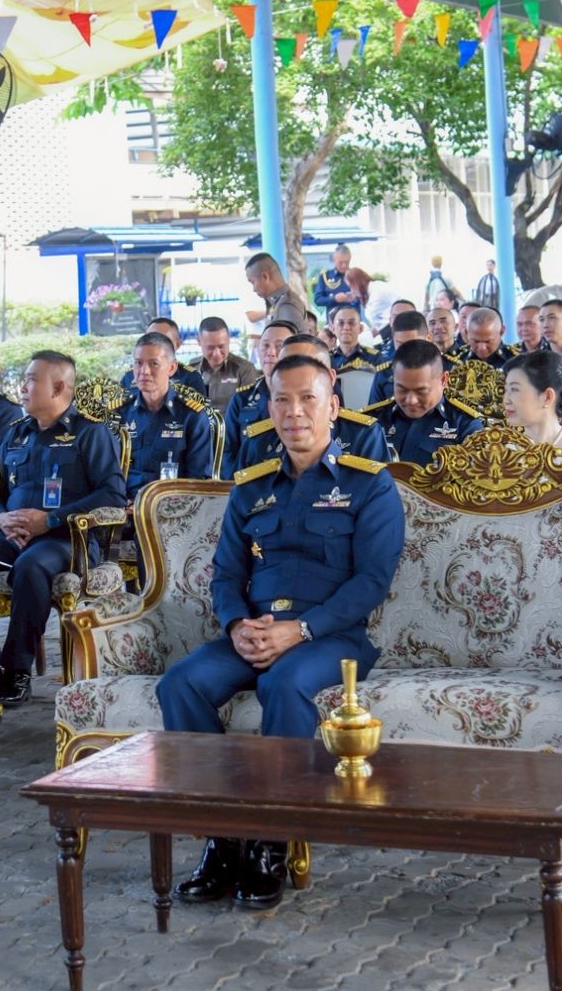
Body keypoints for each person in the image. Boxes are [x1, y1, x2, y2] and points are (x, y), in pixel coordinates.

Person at [157, 354, 404, 910]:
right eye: (283, 401)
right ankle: (223, 840)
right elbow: (226, 574)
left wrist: (302, 629)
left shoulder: (369, 485)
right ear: (269, 410)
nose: (295, 412)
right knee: (181, 683)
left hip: (332, 639)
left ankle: (272, 842)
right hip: (256, 631)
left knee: (283, 684)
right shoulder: (251, 487)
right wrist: (237, 625)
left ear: (333, 407)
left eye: (307, 399)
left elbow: (372, 581)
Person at [0, 351, 126, 707]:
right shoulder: (15, 434)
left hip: (67, 540)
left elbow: (112, 494)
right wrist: (0, 518)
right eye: (25, 378)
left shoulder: (90, 432)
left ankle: (15, 670)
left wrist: (49, 520)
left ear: (60, 387)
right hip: (11, 535)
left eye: (32, 379)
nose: (23, 386)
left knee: (31, 566)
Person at [232, 335, 386, 471]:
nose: (298, 375)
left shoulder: (364, 436)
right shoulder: (257, 442)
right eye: (288, 366)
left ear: (331, 377)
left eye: (311, 367)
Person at [121, 332, 216, 489]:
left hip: (173, 500)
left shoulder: (192, 416)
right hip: (125, 500)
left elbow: (199, 479)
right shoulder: (120, 413)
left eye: (154, 364)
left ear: (172, 368)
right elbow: (108, 473)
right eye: (138, 363)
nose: (144, 371)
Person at [372, 340, 484, 466]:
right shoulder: (374, 420)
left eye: (421, 391)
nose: (411, 400)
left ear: (443, 381)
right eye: (402, 390)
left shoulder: (465, 425)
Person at [220, 322, 294, 477]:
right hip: (248, 484)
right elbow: (227, 451)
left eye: (279, 346)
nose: (271, 352)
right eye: (265, 345)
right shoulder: (241, 399)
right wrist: (235, 484)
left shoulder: (305, 402)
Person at [193, 316, 259, 414]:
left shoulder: (244, 370)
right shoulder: (192, 369)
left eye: (221, 346)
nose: (216, 354)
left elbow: (249, 411)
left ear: (229, 339)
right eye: (210, 348)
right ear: (199, 341)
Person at [244, 252, 307, 330]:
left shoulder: (286, 307)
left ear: (265, 277)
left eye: (253, 282)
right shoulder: (278, 303)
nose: (253, 289)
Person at [327, 305, 383, 373]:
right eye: (341, 323)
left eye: (351, 323)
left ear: (361, 328)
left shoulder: (375, 357)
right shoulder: (326, 358)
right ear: (333, 329)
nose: (346, 327)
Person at [313, 243, 360, 315]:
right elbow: (318, 300)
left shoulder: (356, 276)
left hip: (353, 318)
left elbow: (367, 298)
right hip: (333, 319)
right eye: (340, 262)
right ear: (334, 260)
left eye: (347, 262)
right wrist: (334, 299)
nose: (344, 265)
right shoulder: (326, 276)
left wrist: (355, 298)